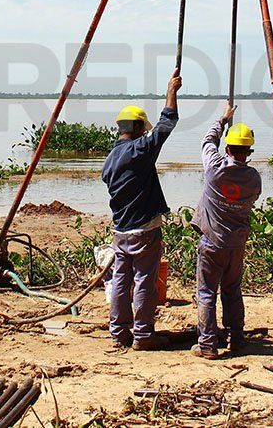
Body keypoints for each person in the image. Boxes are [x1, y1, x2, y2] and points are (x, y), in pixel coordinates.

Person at [101, 70, 181, 350]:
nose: (145, 133)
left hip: (120, 230)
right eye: (142, 129)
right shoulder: (139, 151)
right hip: (144, 229)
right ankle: (144, 335)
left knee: (121, 280)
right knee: (145, 279)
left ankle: (119, 333)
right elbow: (166, 124)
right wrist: (171, 91)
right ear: (136, 128)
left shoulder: (111, 159)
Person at [190, 102, 262, 359]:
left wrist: (222, 119)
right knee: (232, 289)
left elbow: (207, 142)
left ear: (228, 148)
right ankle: (237, 338)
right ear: (248, 151)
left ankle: (208, 344)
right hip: (236, 244)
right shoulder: (254, 178)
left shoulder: (215, 169)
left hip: (212, 241)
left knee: (207, 291)